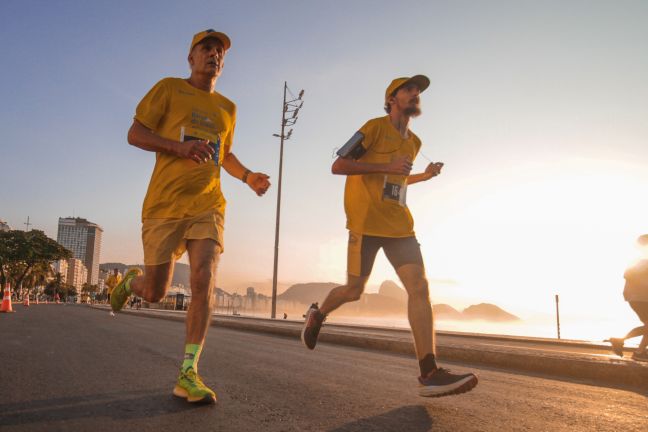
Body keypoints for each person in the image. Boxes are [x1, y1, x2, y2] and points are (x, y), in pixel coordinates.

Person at [110, 29, 271, 404]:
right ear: (191, 57)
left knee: (204, 277)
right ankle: (130, 284)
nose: (214, 55)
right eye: (207, 48)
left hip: (207, 204)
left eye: (220, 51)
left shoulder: (228, 109)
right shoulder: (168, 88)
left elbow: (224, 155)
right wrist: (177, 148)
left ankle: (189, 372)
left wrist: (248, 177)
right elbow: (134, 134)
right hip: (164, 206)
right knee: (156, 292)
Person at [301, 76, 478, 397]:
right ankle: (319, 314)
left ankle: (430, 372)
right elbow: (339, 165)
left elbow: (398, 180)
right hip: (365, 222)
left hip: (400, 226)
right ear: (392, 98)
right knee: (354, 290)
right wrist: (388, 163)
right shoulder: (373, 127)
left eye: (418, 91)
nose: (415, 94)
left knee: (419, 288)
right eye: (409, 89)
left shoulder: (415, 142)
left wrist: (426, 174)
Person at [607, 234, 648, 362]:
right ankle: (639, 352)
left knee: (647, 325)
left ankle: (636, 349)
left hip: (641, 297)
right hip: (638, 297)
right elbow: (628, 275)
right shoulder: (640, 260)